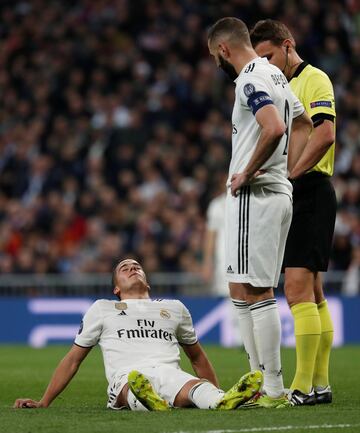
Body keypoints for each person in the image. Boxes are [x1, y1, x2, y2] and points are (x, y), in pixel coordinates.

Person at [207, 17, 312, 408]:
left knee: (257, 289)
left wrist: (249, 172)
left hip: (256, 195)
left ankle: (271, 388)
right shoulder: (277, 75)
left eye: (214, 56)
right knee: (240, 287)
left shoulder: (250, 78)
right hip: (271, 193)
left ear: (222, 50)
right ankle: (256, 380)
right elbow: (302, 124)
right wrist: (287, 170)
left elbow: (274, 128)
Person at [14, 258, 262, 411]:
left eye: (137, 266)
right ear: (116, 288)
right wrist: (44, 401)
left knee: (196, 388)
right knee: (132, 387)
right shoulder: (102, 308)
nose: (132, 268)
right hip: (126, 377)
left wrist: (214, 389)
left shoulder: (174, 308)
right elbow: (73, 359)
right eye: (125, 268)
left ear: (148, 282)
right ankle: (149, 401)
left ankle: (220, 400)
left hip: (169, 372)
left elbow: (197, 358)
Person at [250, 19, 337, 406]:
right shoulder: (275, 84)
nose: (265, 63)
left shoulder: (314, 79)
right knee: (313, 292)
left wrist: (291, 174)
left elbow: (325, 133)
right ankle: (319, 385)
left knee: (296, 288)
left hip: (310, 190)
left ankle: (301, 386)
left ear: (288, 45)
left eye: (268, 55)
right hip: (296, 193)